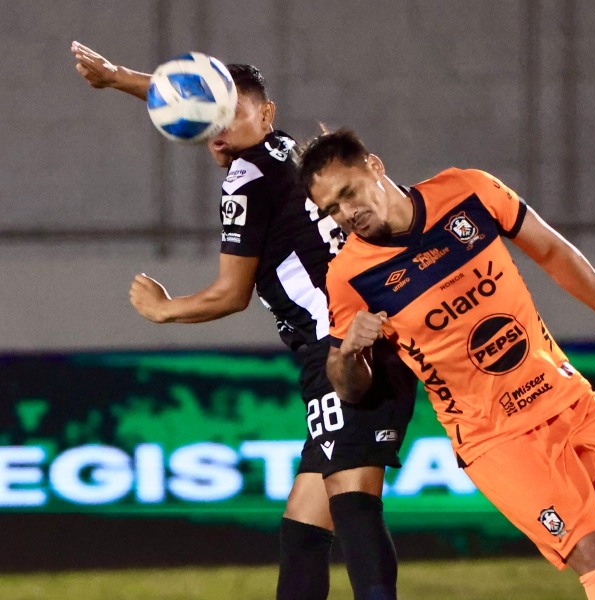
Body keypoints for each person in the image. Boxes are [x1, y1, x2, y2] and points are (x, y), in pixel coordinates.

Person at [71, 42, 417, 600]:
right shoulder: (283, 150)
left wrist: (167, 309)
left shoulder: (246, 180)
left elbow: (230, 294)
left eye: (231, 115)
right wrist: (119, 79)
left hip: (341, 349)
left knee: (354, 504)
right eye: (211, 118)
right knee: (305, 529)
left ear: (268, 114)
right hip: (355, 340)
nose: (217, 129)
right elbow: (200, 102)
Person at [300, 128, 595, 600]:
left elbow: (552, 250)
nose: (347, 214)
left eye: (348, 194)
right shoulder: (350, 275)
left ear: (374, 165)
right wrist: (351, 351)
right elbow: (350, 387)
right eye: (332, 209)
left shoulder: (467, 191)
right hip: (495, 438)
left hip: (569, 400)